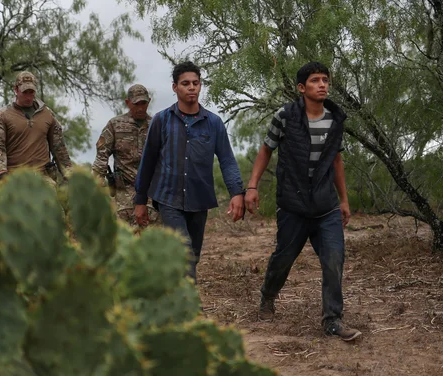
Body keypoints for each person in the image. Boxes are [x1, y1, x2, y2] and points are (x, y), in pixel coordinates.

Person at [244, 61, 361, 342]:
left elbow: (336, 160)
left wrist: (343, 200)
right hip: (293, 206)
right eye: (315, 80)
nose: (322, 85)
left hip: (326, 207)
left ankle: (332, 320)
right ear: (301, 88)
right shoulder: (285, 116)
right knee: (283, 258)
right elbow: (266, 150)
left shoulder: (335, 119)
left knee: (334, 259)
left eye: (325, 80)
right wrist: (252, 186)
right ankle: (268, 297)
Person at [134, 61, 245, 283]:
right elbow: (147, 162)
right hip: (168, 197)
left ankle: (172, 295)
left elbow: (227, 160)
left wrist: (236, 192)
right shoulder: (162, 120)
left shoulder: (213, 123)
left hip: (199, 198)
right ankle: (191, 310)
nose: (191, 87)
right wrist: (140, 200)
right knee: (183, 250)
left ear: (200, 85)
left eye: (195, 83)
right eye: (185, 83)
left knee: (192, 256)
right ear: (175, 88)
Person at [0, 71, 72, 184]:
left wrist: (70, 176)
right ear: (16, 90)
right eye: (25, 92)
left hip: (44, 178)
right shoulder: (1, 117)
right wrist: (1, 173)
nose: (28, 96)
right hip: (15, 178)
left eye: (31, 92)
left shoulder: (47, 114)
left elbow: (59, 148)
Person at [91, 84, 159, 224]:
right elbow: (101, 156)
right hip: (123, 192)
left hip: (151, 191)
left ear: (149, 101)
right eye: (136, 104)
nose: (140, 108)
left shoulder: (156, 125)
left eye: (143, 103)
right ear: (127, 103)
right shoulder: (115, 125)